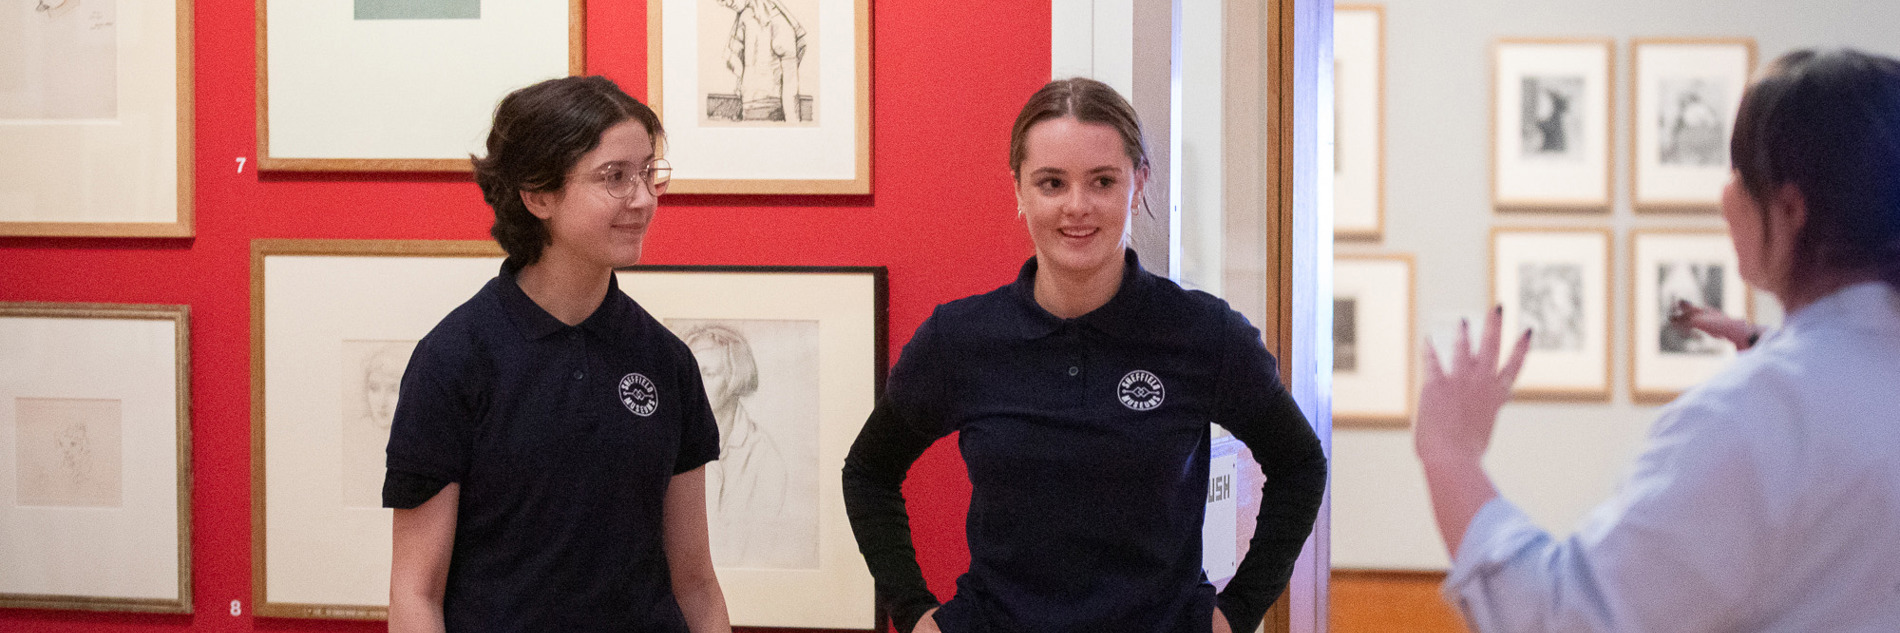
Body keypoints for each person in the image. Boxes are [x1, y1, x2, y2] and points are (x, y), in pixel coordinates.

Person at [1415, 48, 1900, 631]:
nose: (1726, 196)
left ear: (1790, 207)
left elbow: (1565, 617)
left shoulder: (1751, 416)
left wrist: (1449, 454)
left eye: (1739, 173)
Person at [841, 78, 1328, 633]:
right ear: (1018, 190)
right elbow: (868, 472)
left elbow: (1300, 466)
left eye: (1103, 181)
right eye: (1051, 183)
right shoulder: (960, 339)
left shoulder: (1203, 333)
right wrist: (914, 614)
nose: (1078, 207)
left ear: (1137, 183)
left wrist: (1235, 613)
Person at [383, 76, 731, 633]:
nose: (642, 198)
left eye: (648, 172)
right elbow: (415, 595)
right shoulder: (454, 360)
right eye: (615, 177)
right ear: (537, 194)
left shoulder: (667, 361)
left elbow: (695, 583)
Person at [679, 323, 794, 566]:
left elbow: (763, 553)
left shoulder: (763, 456)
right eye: (691, 371)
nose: (695, 383)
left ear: (735, 379)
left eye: (708, 374)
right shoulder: (666, 442)